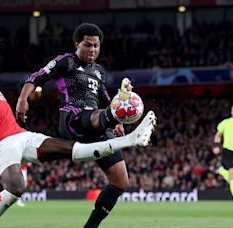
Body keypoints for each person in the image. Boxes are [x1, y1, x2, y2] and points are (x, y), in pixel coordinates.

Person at [0, 34, 156, 228]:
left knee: (71, 150)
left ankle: (130, 139)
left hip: (21, 135)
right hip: (1, 144)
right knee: (16, 187)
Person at [16, 23, 138, 228]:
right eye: (88, 45)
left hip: (96, 123)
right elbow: (36, 77)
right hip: (73, 119)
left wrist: (116, 118)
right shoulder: (66, 61)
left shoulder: (99, 72)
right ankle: (127, 119)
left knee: (121, 182)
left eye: (96, 46)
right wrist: (22, 100)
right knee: (97, 115)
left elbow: (105, 100)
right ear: (77, 44)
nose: (92, 50)